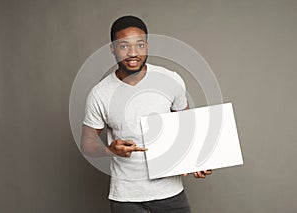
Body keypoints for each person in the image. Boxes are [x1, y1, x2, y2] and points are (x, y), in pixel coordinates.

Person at [81, 15, 212, 213]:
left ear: (147, 46)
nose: (133, 53)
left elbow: (186, 128)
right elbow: (87, 143)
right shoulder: (100, 93)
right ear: (113, 48)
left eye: (140, 45)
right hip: (125, 197)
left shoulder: (171, 80)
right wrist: (109, 150)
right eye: (124, 46)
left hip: (170, 193)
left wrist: (196, 161)